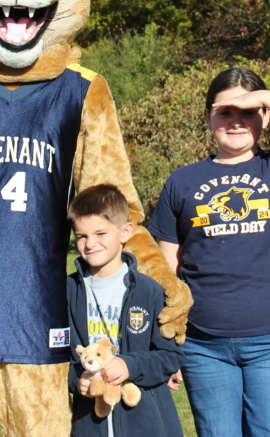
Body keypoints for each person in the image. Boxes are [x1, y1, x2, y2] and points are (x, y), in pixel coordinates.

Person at [148, 67, 270, 437]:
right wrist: (164, 344)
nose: (236, 122)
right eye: (225, 112)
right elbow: (165, 270)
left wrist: (267, 97)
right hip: (202, 347)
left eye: (248, 111)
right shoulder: (182, 180)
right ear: (208, 117)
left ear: (265, 117)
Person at [67, 184, 184, 437]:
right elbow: (55, 360)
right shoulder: (66, 292)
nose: (90, 244)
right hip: (89, 424)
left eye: (100, 233)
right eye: (82, 236)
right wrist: (76, 379)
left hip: (146, 424)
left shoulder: (149, 291)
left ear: (125, 232)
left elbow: (169, 357)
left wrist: (130, 365)